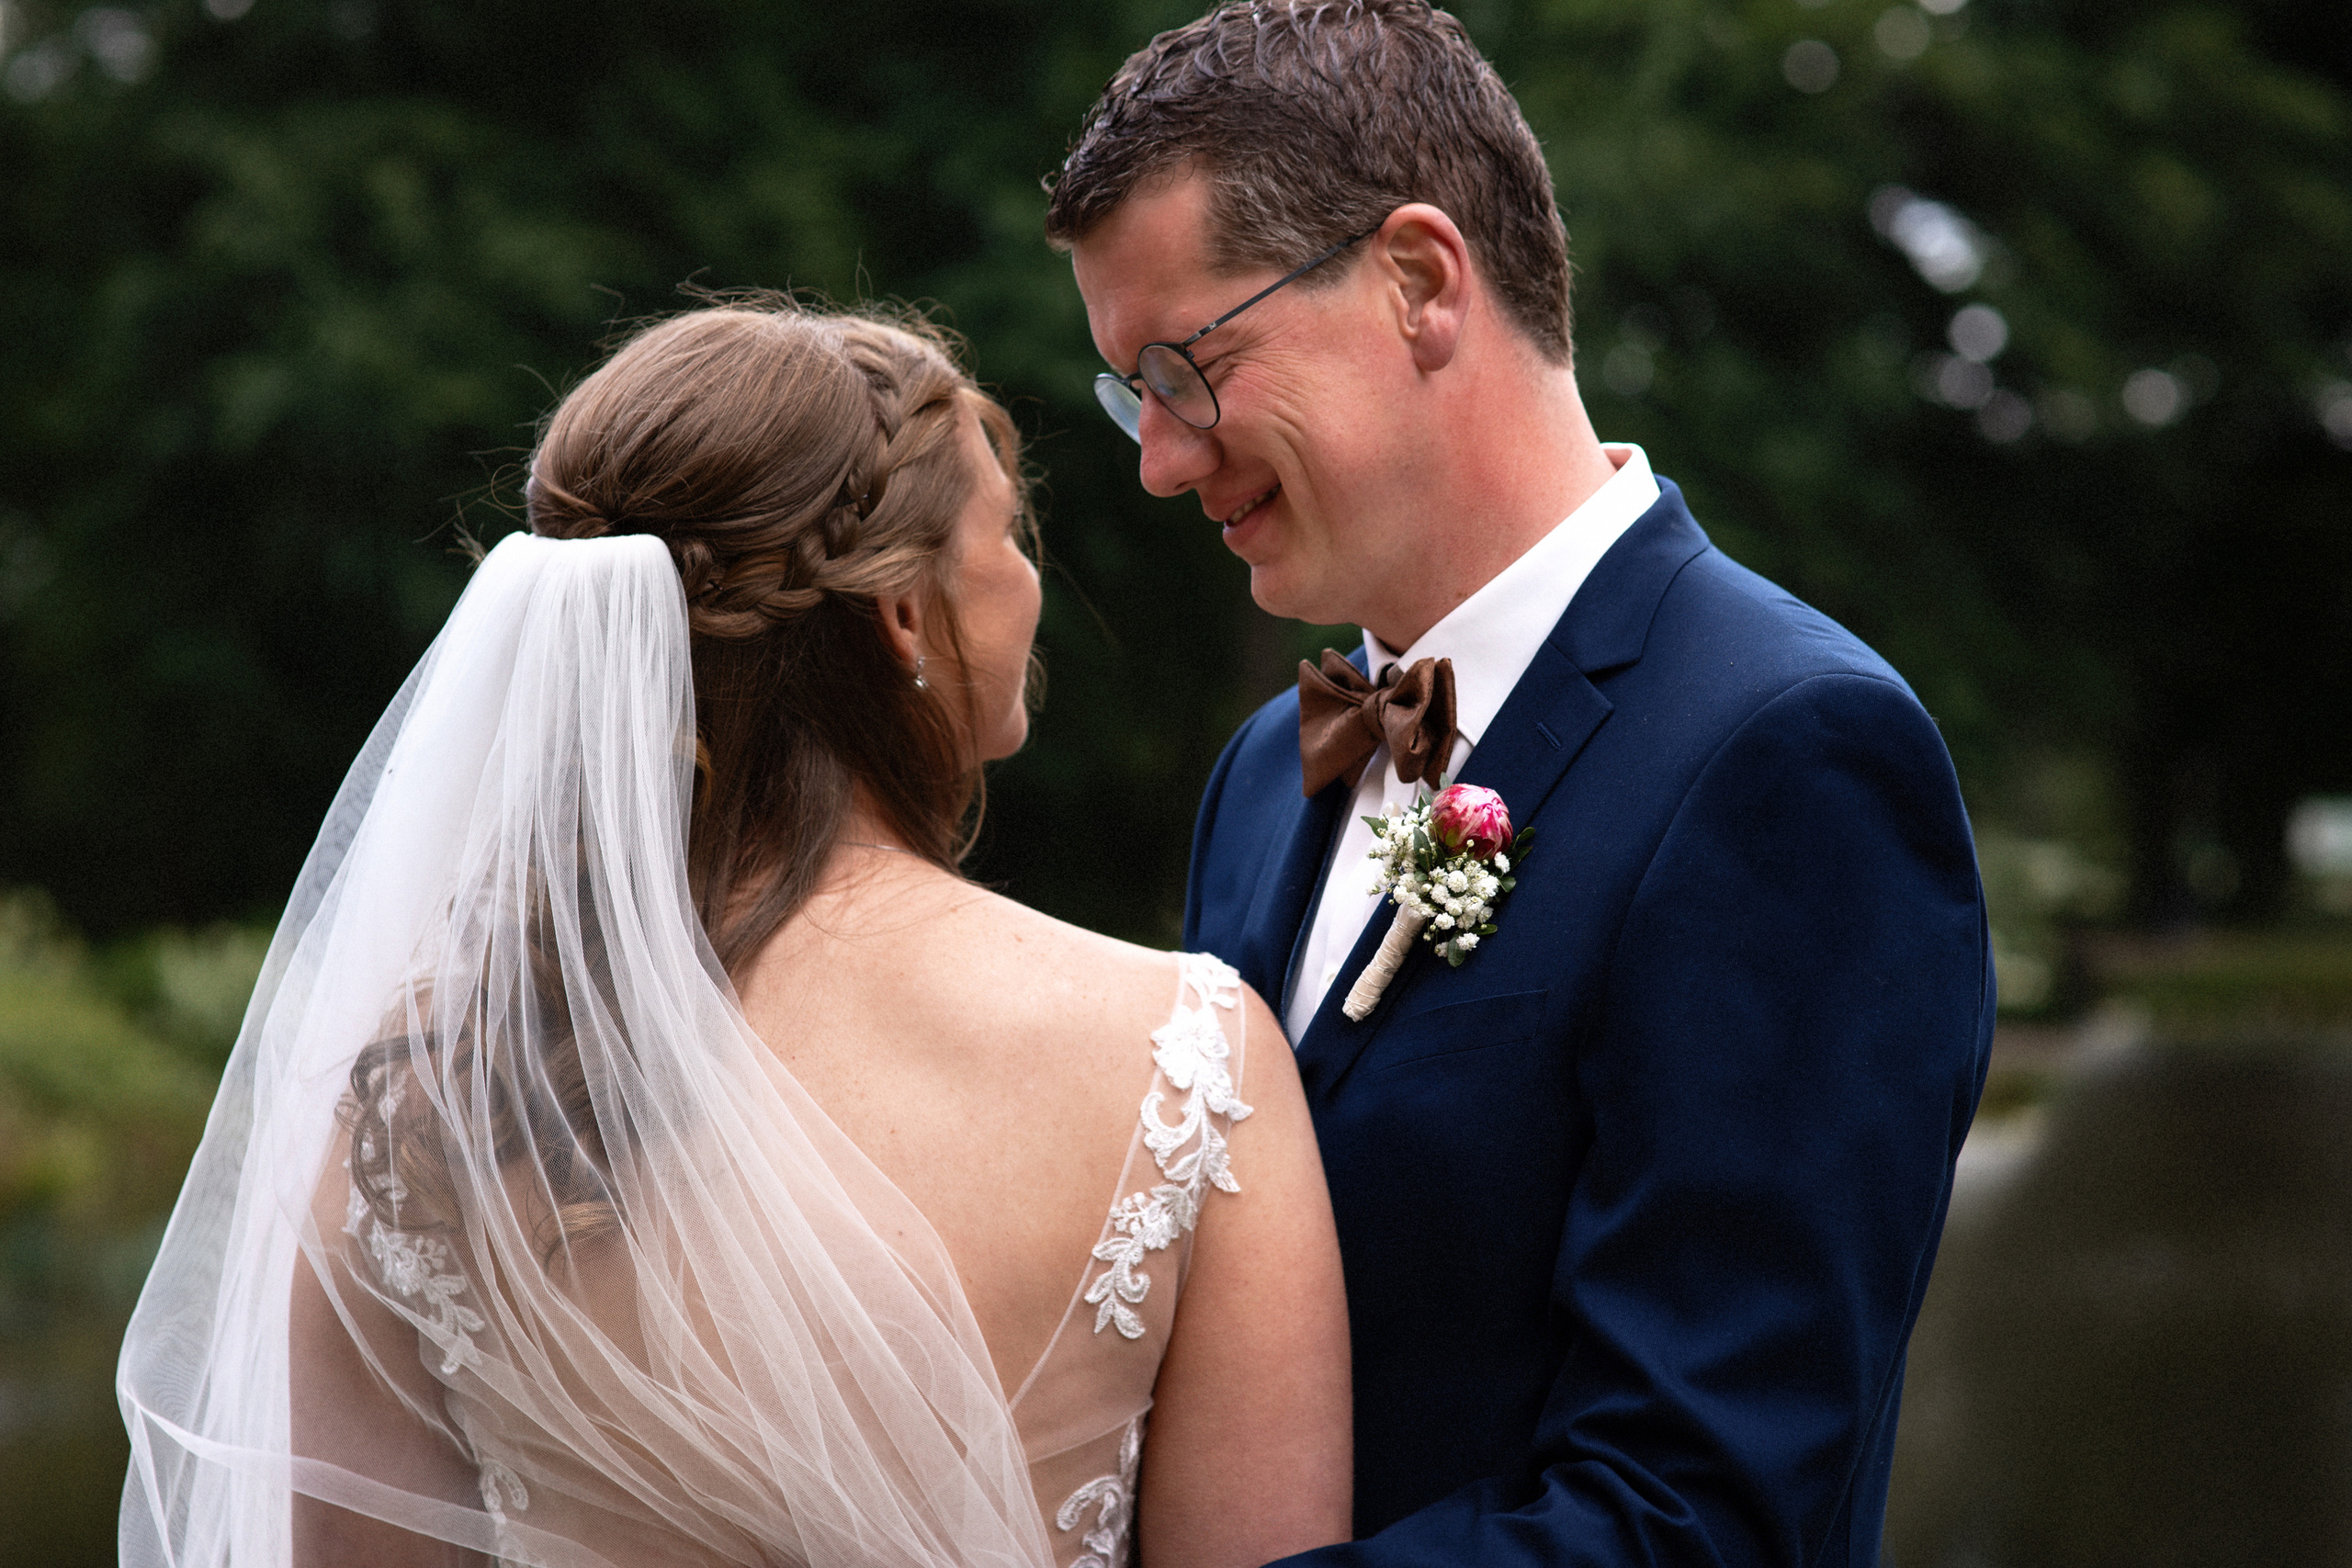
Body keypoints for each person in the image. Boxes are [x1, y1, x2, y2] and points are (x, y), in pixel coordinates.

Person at [117, 301, 1351, 1568]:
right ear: (904, 620)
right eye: (1007, 534)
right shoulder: (1182, 1057)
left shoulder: (432, 1091)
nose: (1030, 576)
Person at [1046, 3, 1995, 1563]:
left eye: (1185, 367)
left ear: (1420, 284)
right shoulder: (1261, 780)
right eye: (1127, 390)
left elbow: (1699, 1511)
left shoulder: (1791, 757)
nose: (1156, 457)